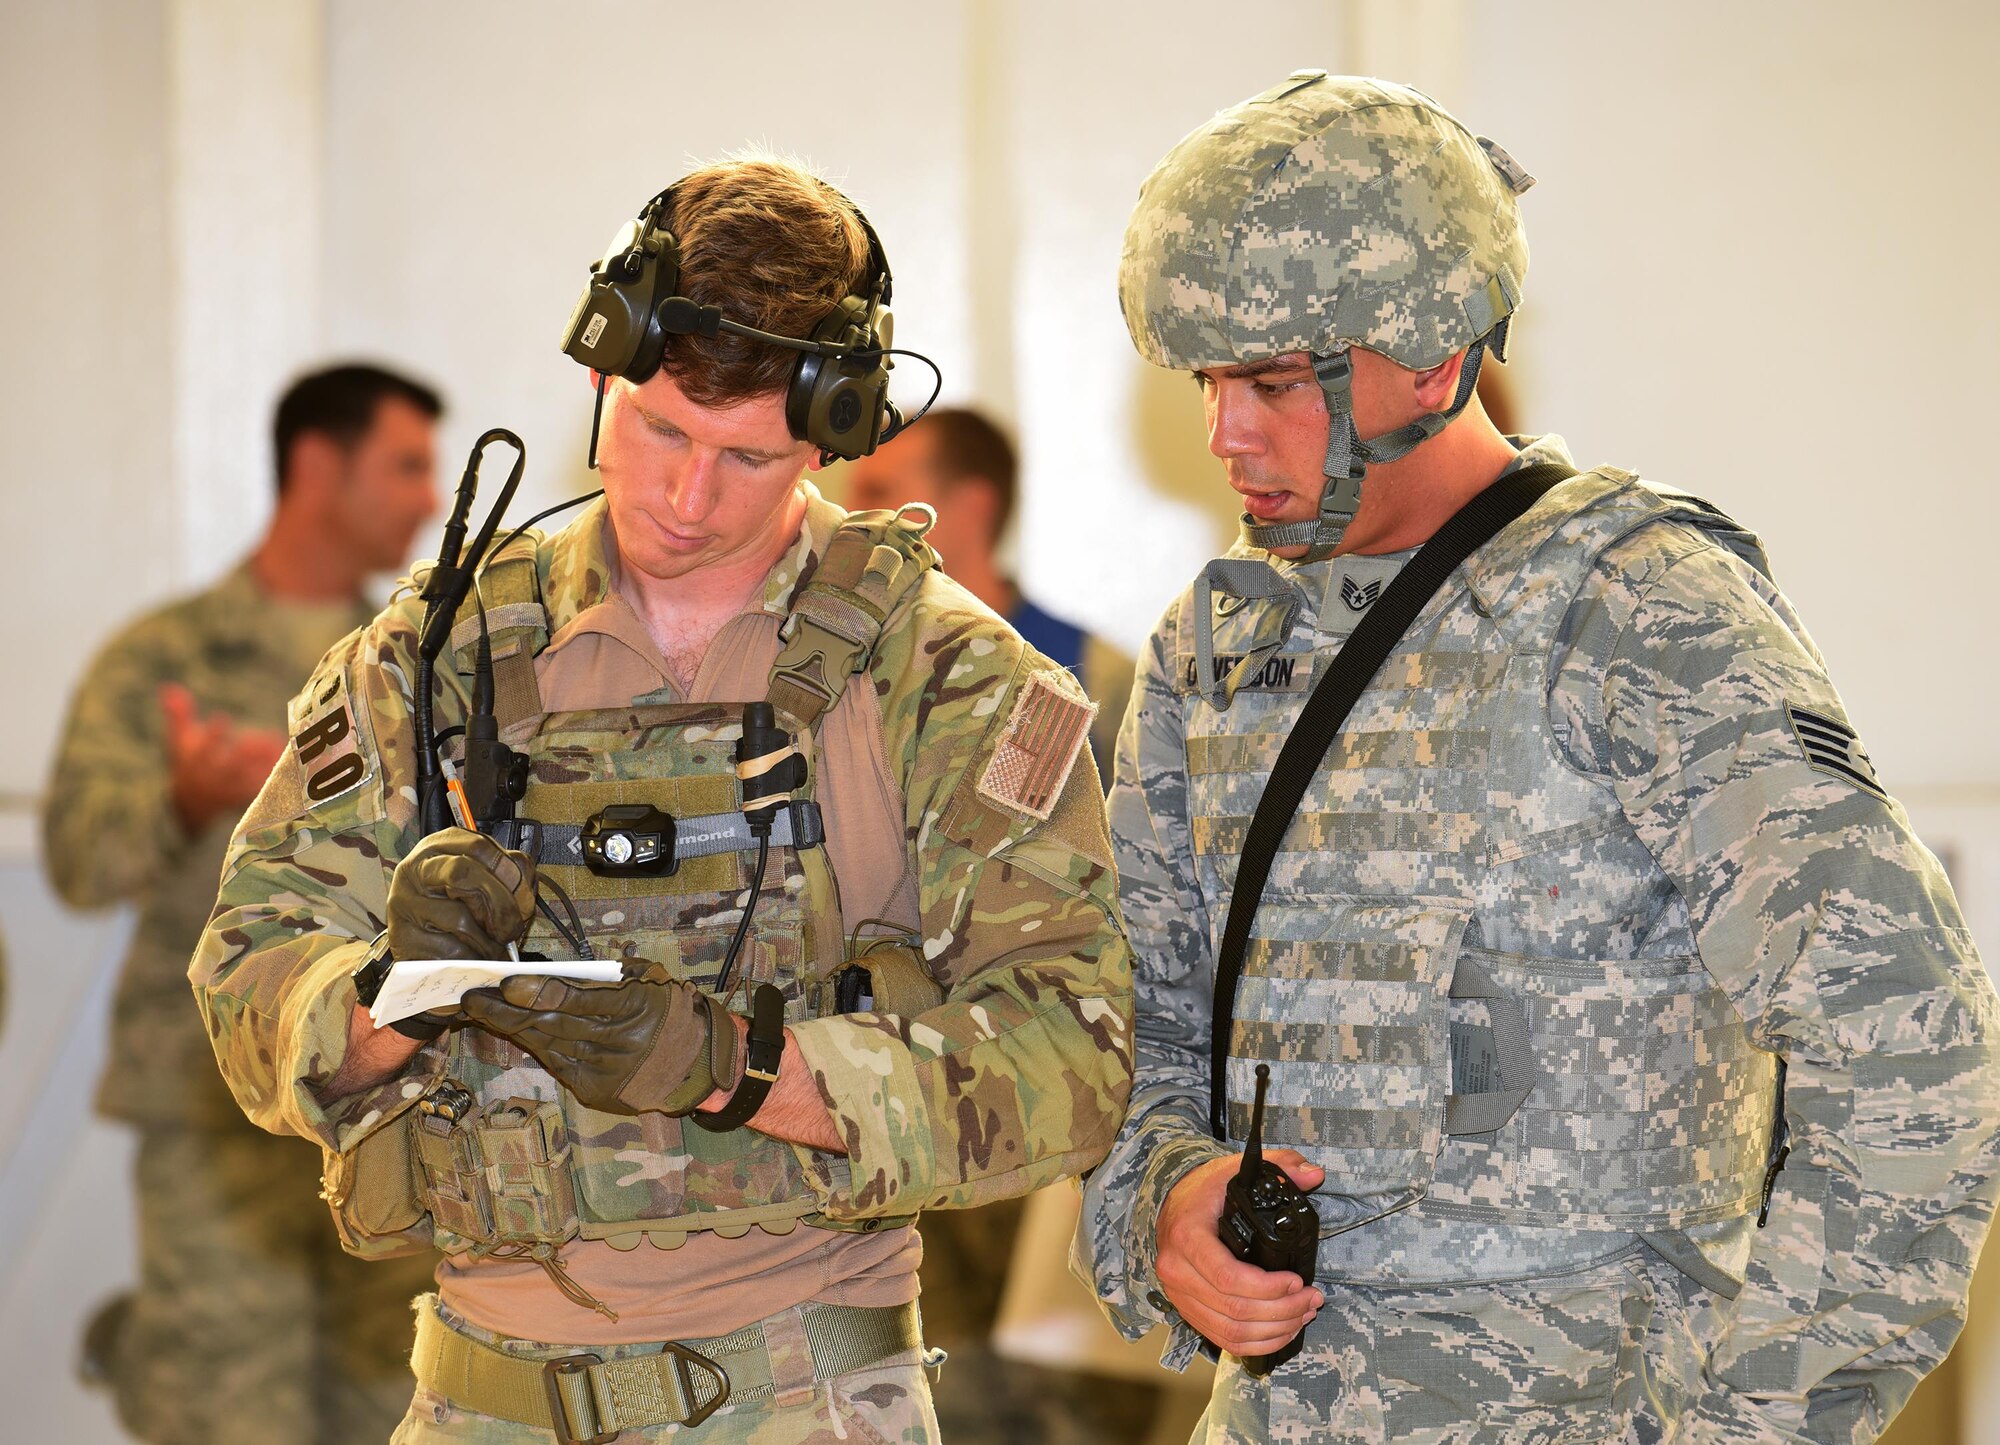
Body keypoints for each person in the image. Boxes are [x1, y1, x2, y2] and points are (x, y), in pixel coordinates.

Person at [1073, 71, 2000, 1443]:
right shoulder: (1218, 650)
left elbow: (1909, 1050)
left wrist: (1766, 1425)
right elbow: (1135, 1031)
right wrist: (1165, 1198)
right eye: (1208, 379)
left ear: (1435, 357)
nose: (1226, 434)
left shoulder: (1635, 608)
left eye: (1272, 380)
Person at [190, 155, 1133, 1444]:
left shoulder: (942, 675)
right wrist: (386, 995)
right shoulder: (437, 651)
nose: (687, 502)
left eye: (747, 460)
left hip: (799, 1390)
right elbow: (245, 978)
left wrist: (743, 1072)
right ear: (601, 373)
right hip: (476, 1395)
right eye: (662, 432)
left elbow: (1072, 1055)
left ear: (833, 434)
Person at [44, 362, 445, 1445]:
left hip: (391, 1110)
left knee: (408, 1412)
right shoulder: (166, 656)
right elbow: (77, 859)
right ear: (319, 463)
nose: (429, 497)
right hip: (215, 1119)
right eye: (406, 464)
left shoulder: (420, 664)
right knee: (226, 1416)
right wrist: (181, 796)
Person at [844, 405, 1158, 1443]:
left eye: (881, 491)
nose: (852, 514)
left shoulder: (1084, 679)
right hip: (885, 1125)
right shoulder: (838, 687)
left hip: (1039, 1131)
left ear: (961, 505)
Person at [844, 408, 1132, 780]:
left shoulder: (1097, 676)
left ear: (971, 506)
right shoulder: (836, 654)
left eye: (877, 492)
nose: (850, 513)